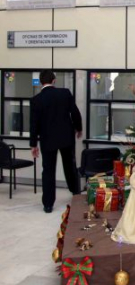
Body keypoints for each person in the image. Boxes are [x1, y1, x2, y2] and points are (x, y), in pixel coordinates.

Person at [30, 70, 82, 213]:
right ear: (54, 80)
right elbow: (75, 112)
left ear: (41, 82)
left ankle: (48, 204)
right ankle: (75, 192)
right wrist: (78, 128)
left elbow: (33, 124)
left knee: (48, 171)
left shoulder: (36, 100)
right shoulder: (65, 93)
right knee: (70, 166)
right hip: (66, 137)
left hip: (47, 140)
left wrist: (33, 144)